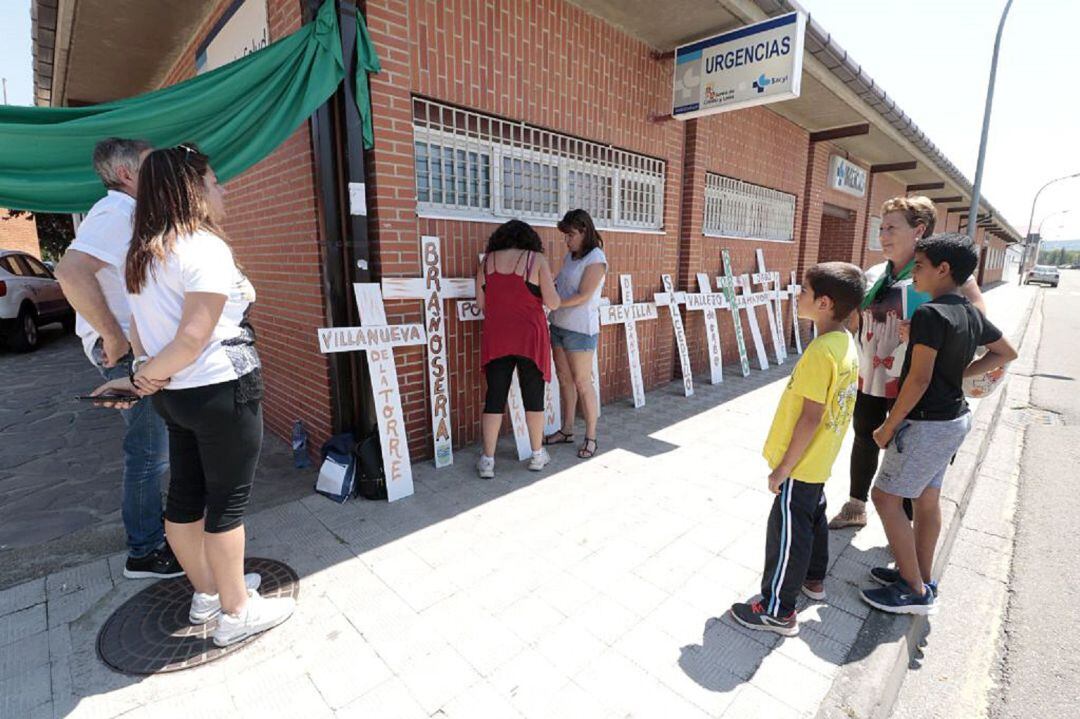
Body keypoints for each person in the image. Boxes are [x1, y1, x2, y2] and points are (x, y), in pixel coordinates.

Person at [92, 144, 293, 646]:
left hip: (175, 395)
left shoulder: (143, 254)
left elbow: (140, 333)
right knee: (227, 504)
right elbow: (193, 336)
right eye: (214, 181)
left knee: (185, 496)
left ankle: (209, 593)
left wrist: (145, 378)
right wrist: (141, 381)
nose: (221, 190)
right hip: (222, 389)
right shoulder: (202, 246)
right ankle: (236, 612)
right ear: (192, 190)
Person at [860, 234, 1017, 614]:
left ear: (943, 270)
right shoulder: (968, 312)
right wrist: (960, 374)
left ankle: (914, 591)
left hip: (925, 424)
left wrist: (888, 427)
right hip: (953, 420)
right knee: (926, 499)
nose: (914, 271)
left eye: (921, 265)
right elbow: (1005, 352)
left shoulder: (930, 314)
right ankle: (921, 575)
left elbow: (918, 380)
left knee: (884, 497)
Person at [55, 138, 182, 580]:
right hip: (128, 353)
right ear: (127, 174)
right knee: (149, 454)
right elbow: (68, 271)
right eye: (150, 165)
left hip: (140, 350)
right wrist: (112, 335)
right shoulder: (115, 213)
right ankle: (145, 551)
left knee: (155, 450)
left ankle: (159, 537)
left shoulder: (130, 214)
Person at [829, 196, 988, 530]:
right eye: (881, 227)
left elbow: (976, 320)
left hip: (915, 379)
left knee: (909, 445)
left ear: (918, 230)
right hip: (871, 372)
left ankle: (908, 523)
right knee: (864, 436)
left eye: (892, 228)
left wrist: (923, 330)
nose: (883, 235)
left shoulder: (941, 273)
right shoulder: (875, 273)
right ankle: (857, 505)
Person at [730, 262, 865, 637]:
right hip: (819, 461)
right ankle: (813, 580)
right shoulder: (843, 343)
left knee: (788, 532)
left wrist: (781, 470)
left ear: (823, 303)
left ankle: (777, 609)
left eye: (803, 291)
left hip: (801, 464)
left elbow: (810, 417)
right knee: (811, 518)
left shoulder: (822, 352)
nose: (797, 295)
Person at [475, 220, 561, 479]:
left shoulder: (486, 262)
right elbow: (553, 303)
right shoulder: (537, 260)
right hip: (530, 338)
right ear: (529, 240)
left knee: (494, 398)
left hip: (497, 336)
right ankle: (537, 455)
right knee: (533, 396)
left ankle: (487, 460)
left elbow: (481, 304)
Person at [545, 209, 607, 460]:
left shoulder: (596, 259)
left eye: (570, 235)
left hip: (580, 331)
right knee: (564, 380)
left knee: (583, 383)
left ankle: (591, 437)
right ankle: (567, 430)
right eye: (565, 236)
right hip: (559, 326)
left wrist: (556, 302)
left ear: (584, 231)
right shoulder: (571, 255)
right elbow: (560, 283)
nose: (567, 241)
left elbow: (583, 295)